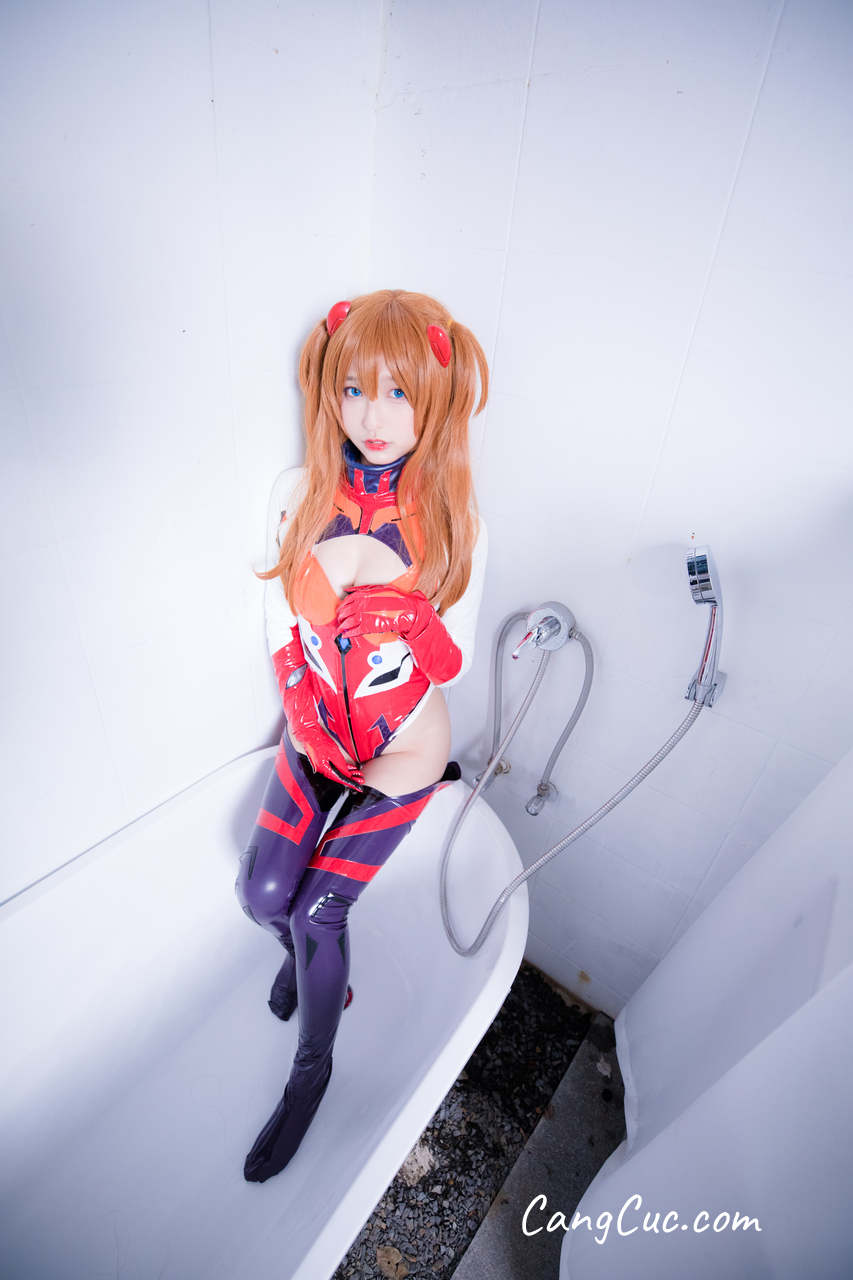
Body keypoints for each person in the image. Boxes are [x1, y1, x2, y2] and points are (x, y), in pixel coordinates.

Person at [236, 289, 489, 1182]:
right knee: (263, 894)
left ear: (433, 401)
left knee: (316, 907)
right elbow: (281, 627)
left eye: (397, 394)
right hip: (319, 730)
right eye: (354, 390)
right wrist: (305, 720)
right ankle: (317, 972)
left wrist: (414, 621)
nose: (373, 419)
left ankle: (311, 1073)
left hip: (403, 746)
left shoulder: (455, 520)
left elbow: (453, 664)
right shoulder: (298, 493)